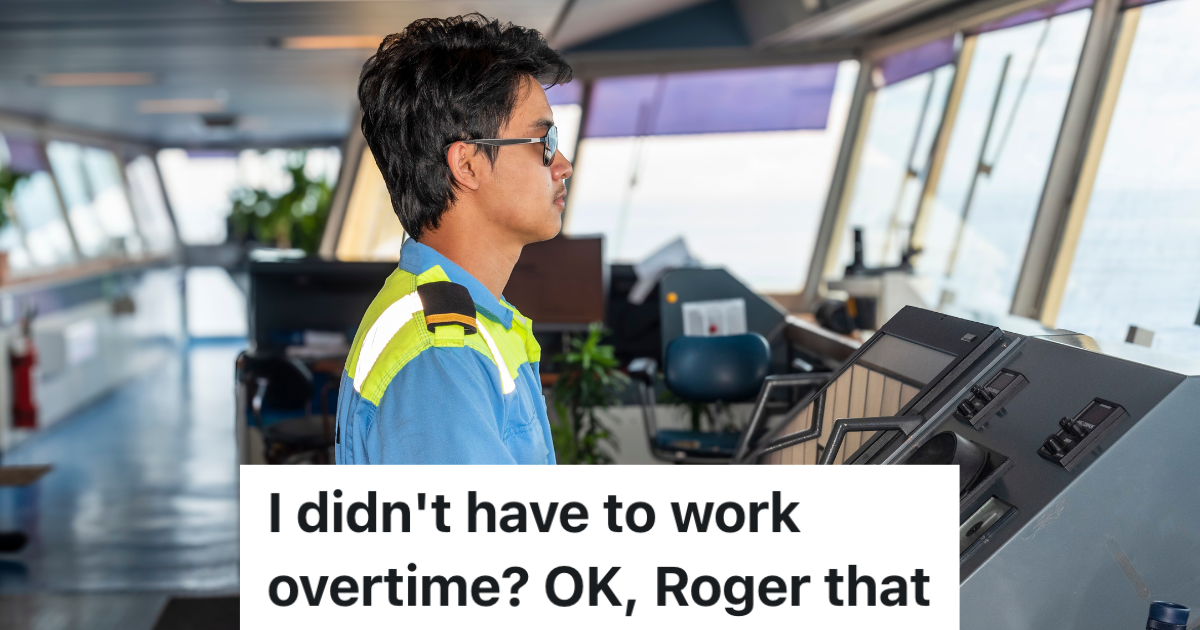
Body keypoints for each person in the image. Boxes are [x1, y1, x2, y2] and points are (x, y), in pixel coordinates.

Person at [335, 15, 573, 464]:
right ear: (466, 165)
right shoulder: (441, 360)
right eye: (544, 140)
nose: (562, 164)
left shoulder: (469, 325)